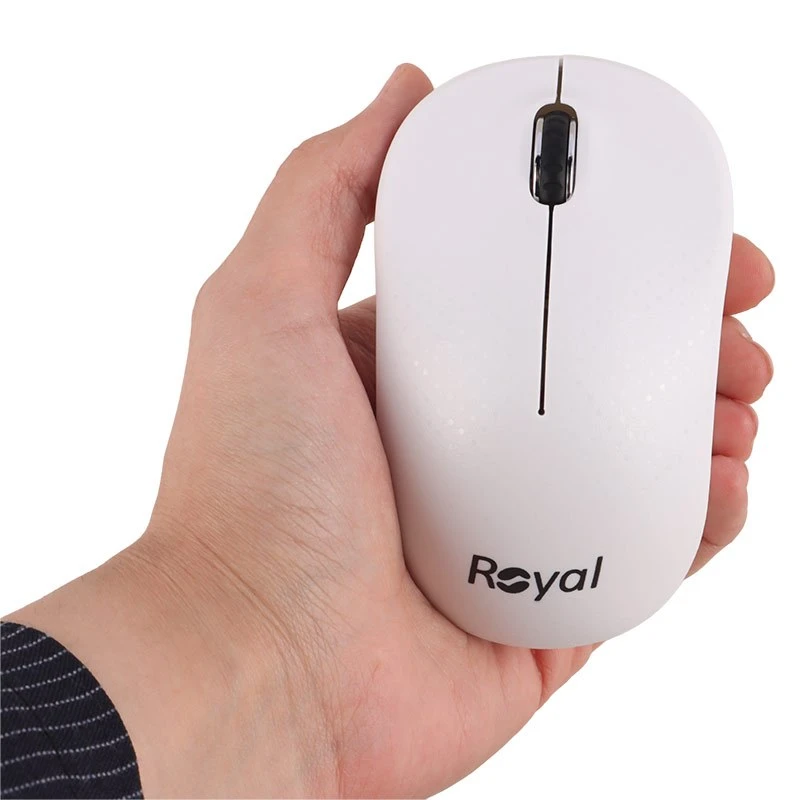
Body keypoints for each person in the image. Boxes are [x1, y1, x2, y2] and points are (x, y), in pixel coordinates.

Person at [0, 64, 774, 799]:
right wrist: (251, 621)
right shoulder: (673, 151)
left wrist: (244, 618)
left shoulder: (444, 144)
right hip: (604, 559)